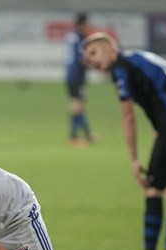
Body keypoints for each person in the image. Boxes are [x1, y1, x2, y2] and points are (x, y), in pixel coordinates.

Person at [81, 33, 166, 250]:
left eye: (93, 53)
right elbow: (160, 90)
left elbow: (128, 115)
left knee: (152, 188)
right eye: (87, 58)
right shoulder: (139, 58)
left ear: (110, 48)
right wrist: (160, 128)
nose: (91, 62)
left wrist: (134, 160)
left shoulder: (120, 68)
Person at [65, 12, 94, 148]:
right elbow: (81, 58)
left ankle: (88, 134)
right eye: (87, 23)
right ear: (83, 24)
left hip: (71, 75)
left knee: (80, 105)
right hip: (77, 76)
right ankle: (73, 137)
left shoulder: (73, 36)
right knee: (77, 105)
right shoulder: (80, 37)